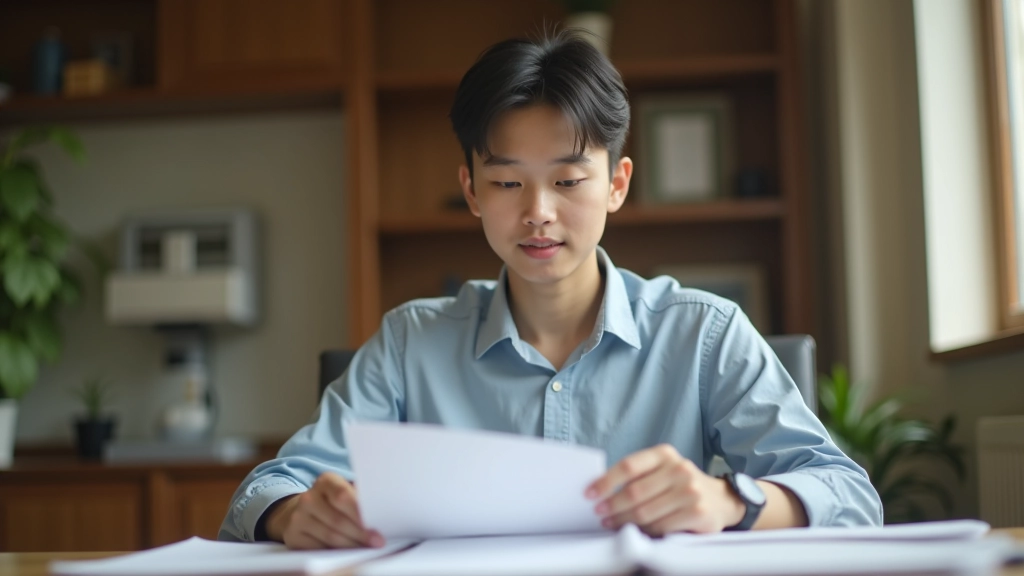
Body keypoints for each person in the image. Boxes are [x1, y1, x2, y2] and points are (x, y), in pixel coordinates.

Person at [219, 30, 882, 549]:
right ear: (471, 190)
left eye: (568, 181)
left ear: (618, 184)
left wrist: (729, 502)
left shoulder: (702, 332)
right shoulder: (410, 341)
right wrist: (294, 515)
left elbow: (848, 494)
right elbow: (267, 488)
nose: (537, 211)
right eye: (508, 183)